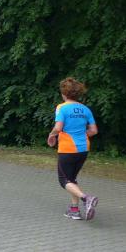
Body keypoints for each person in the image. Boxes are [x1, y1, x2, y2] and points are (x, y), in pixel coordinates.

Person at [46, 77, 99, 221]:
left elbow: (58, 127)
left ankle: (86, 198)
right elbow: (93, 131)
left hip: (68, 148)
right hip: (83, 149)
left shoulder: (62, 107)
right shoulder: (85, 109)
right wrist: (80, 135)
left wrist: (51, 135)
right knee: (72, 179)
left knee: (64, 180)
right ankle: (74, 210)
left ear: (64, 93)